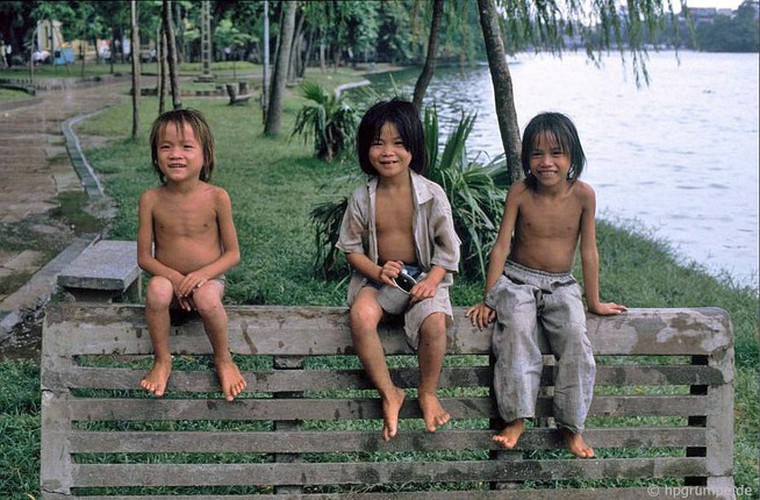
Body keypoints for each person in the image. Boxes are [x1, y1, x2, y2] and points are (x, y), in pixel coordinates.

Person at [466, 112, 626, 458]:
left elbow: (589, 251)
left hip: (562, 285)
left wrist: (594, 302)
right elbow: (502, 246)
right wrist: (489, 297)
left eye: (556, 153)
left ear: (573, 157)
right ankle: (517, 418)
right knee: (517, 334)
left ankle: (570, 425)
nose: (546, 162)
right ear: (526, 159)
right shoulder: (520, 192)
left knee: (575, 339)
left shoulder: (584, 196)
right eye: (537, 154)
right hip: (517, 281)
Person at [337, 99, 461, 442]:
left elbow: (448, 249)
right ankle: (389, 391)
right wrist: (377, 272)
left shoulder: (431, 194)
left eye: (398, 143)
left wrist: (434, 280)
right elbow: (350, 249)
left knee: (434, 321)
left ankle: (428, 390)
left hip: (422, 276)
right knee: (361, 315)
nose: (388, 152)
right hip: (380, 278)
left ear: (413, 147)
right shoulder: (362, 197)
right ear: (366, 149)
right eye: (378, 143)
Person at [137, 108, 246, 401]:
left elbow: (233, 253)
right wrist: (174, 278)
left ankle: (223, 359)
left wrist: (200, 276)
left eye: (186, 146)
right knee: (156, 290)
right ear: (156, 156)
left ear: (205, 155)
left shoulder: (217, 197)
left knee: (207, 298)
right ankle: (162, 360)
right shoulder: (150, 199)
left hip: (208, 281)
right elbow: (144, 258)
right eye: (166, 146)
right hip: (169, 283)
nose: (176, 154)